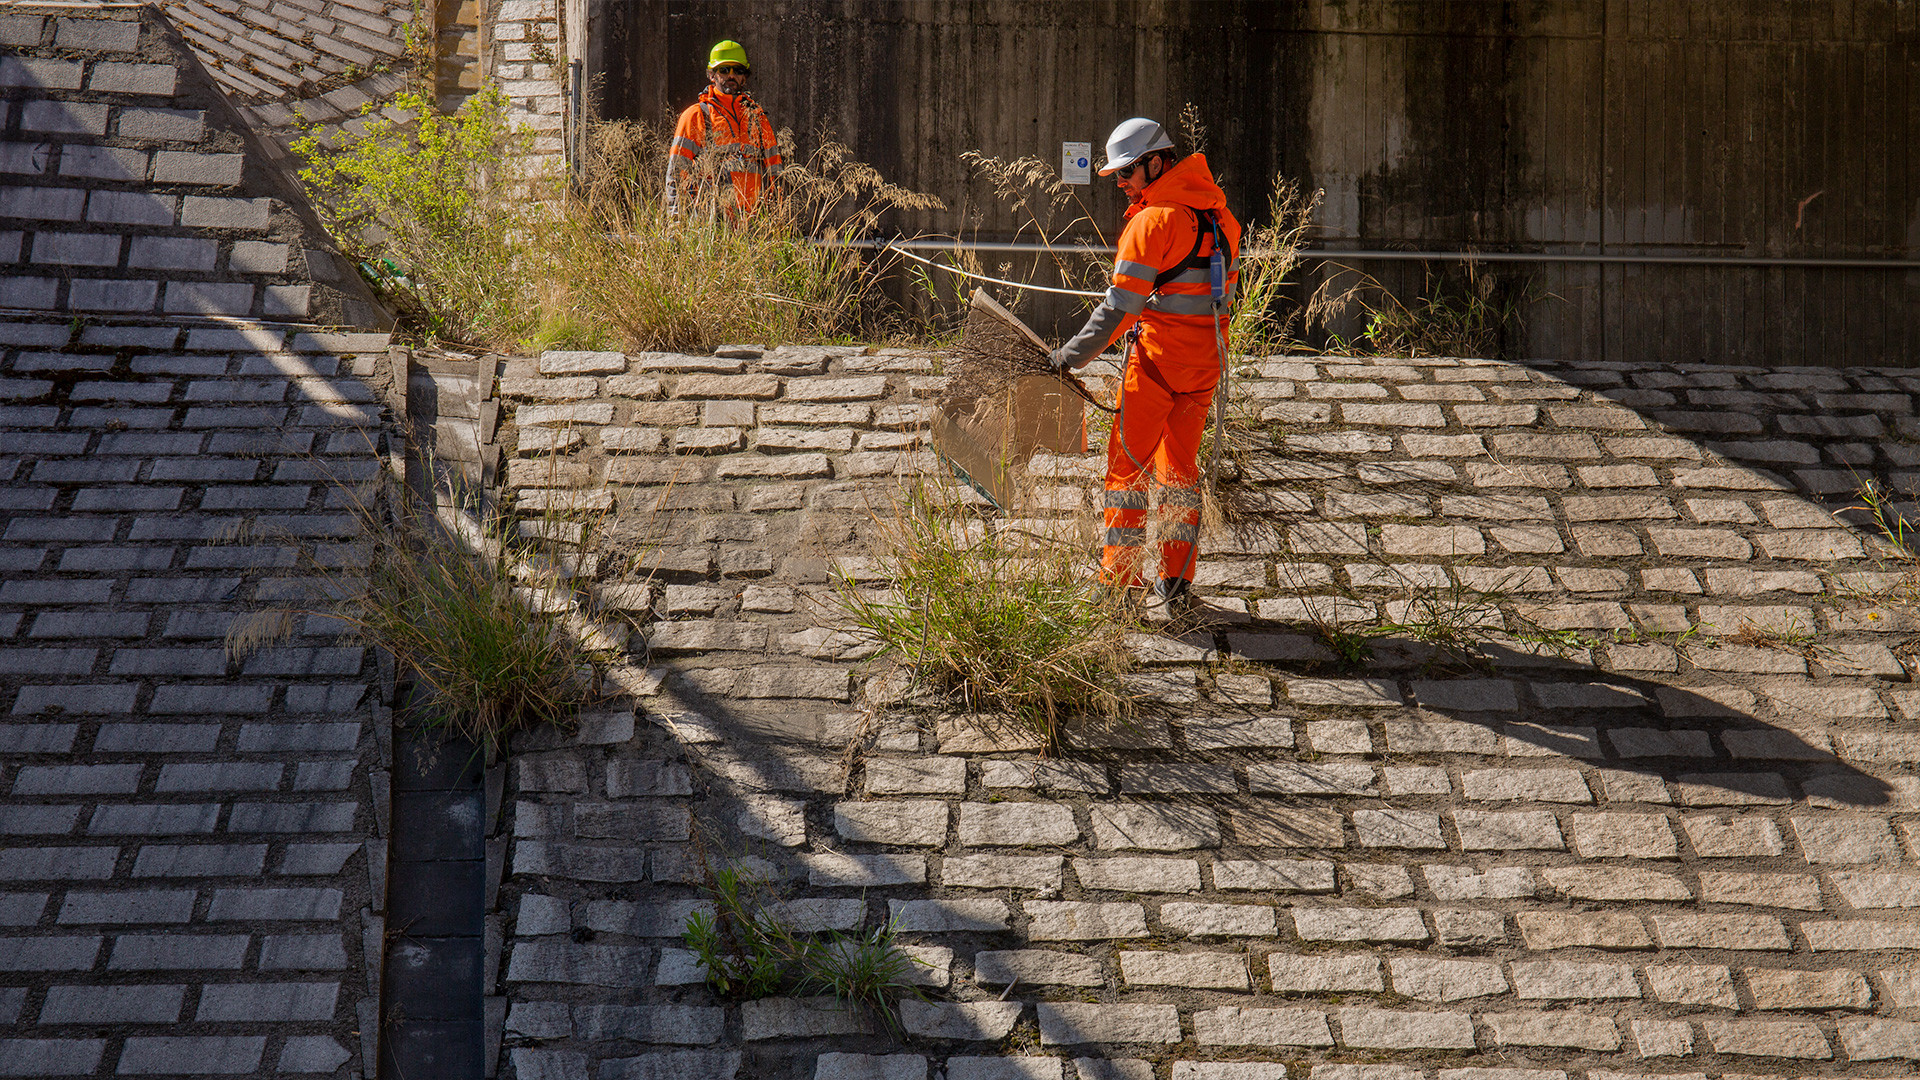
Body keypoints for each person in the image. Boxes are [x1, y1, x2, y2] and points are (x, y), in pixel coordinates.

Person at [1050, 117, 1241, 618]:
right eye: (1116, 175)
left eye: (1127, 173)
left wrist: (1066, 359)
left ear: (1156, 163)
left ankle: (1119, 584)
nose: (1121, 183)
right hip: (1204, 370)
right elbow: (1213, 298)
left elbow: (1118, 310)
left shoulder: (1151, 223)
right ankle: (1177, 582)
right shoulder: (1222, 220)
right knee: (1180, 474)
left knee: (1127, 473)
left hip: (1157, 367)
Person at [664, 40, 783, 220]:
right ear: (712, 75)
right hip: (709, 229)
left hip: (752, 227)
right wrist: (676, 223)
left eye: (738, 70)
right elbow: (676, 175)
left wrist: (778, 218)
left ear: (745, 77)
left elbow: (776, 173)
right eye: (724, 70)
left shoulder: (758, 119)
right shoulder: (696, 116)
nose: (731, 75)